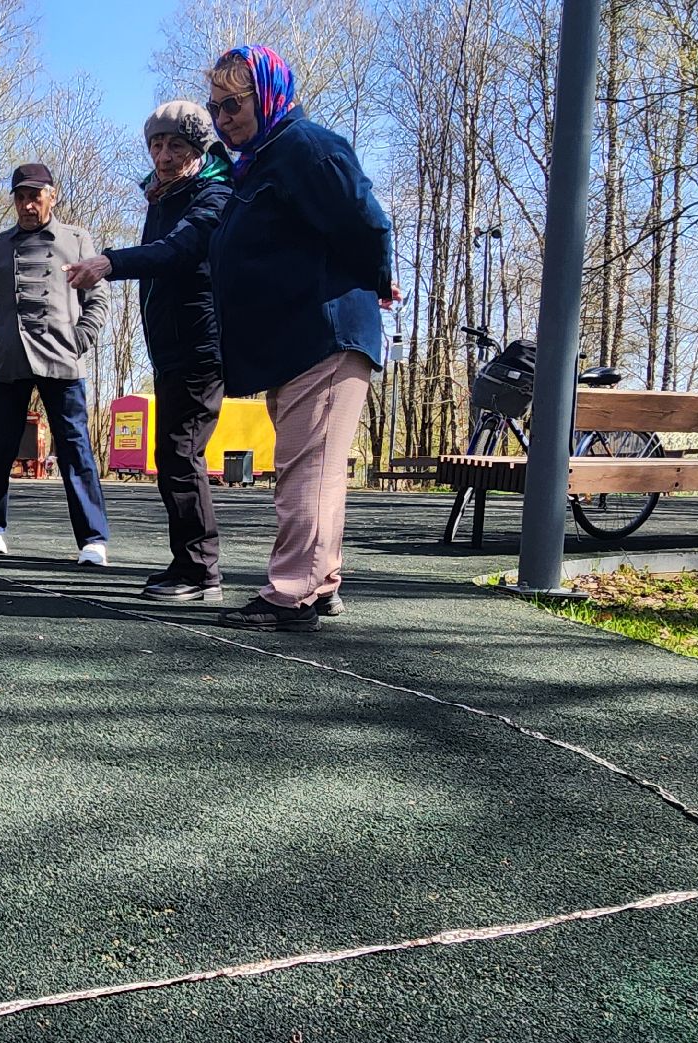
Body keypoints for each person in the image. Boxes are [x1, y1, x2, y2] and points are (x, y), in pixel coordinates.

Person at [205, 46, 397, 631]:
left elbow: (364, 219)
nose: (222, 118)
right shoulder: (259, 161)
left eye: (233, 104)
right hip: (293, 339)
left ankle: (291, 592)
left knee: (304, 469)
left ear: (267, 94)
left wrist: (375, 278)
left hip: (326, 333)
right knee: (317, 468)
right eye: (215, 108)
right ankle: (322, 581)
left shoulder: (304, 147)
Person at [64, 102, 233, 601]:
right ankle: (190, 564)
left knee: (181, 454)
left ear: (196, 149)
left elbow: (178, 252)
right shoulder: (163, 197)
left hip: (201, 346)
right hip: (170, 349)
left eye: (174, 145)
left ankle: (201, 572)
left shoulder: (212, 195)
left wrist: (107, 263)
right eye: (156, 145)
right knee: (173, 454)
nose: (162, 154)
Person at [0, 163, 111, 564]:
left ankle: (93, 540)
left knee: (76, 449)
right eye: (21, 197)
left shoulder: (77, 239)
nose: (28, 205)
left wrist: (80, 340)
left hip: (63, 362)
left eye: (35, 196)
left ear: (52, 195)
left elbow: (97, 300)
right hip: (10, 361)